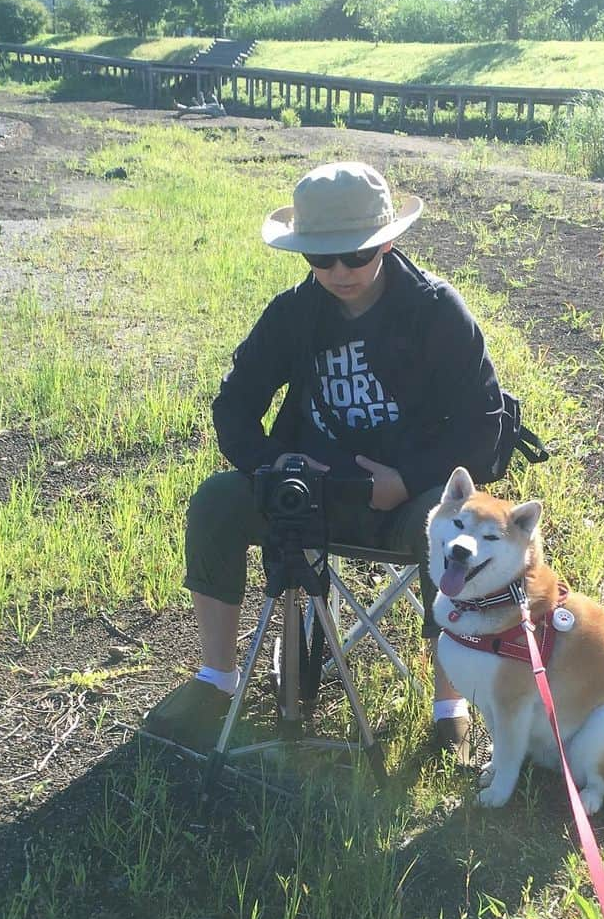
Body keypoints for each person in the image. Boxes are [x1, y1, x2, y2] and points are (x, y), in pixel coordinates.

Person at [142, 161, 507, 759]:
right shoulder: (292, 314)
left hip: (405, 498)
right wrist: (276, 463)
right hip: (308, 497)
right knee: (215, 502)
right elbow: (233, 407)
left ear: (387, 242)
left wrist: (410, 480)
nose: (338, 271)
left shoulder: (436, 311)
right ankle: (217, 678)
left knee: (445, 530)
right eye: (321, 258)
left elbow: (484, 428)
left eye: (356, 256)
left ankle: (451, 704)